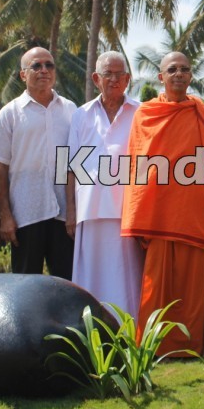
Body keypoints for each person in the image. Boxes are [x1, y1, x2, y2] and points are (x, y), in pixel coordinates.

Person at [121, 52, 204, 356]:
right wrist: (139, 209)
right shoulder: (145, 114)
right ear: (161, 77)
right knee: (156, 285)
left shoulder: (202, 112)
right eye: (172, 69)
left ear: (191, 76)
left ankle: (188, 346)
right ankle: (153, 346)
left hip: (194, 209)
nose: (179, 74)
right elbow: (137, 163)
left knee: (192, 285)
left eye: (184, 69)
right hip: (158, 212)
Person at [64, 51, 144, 316]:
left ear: (128, 79)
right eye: (108, 74)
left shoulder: (141, 113)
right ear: (96, 78)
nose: (114, 79)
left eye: (120, 74)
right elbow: (72, 167)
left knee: (127, 275)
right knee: (91, 276)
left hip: (127, 211)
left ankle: (128, 334)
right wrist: (71, 213)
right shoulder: (81, 115)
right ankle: (91, 333)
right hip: (89, 211)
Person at [0, 47, 76, 278]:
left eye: (49, 65)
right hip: (26, 214)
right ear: (23, 75)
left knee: (66, 285)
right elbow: (0, 168)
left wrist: (73, 211)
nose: (44, 70)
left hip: (63, 216)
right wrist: (5, 216)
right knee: (25, 285)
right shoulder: (9, 114)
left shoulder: (70, 110)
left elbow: (73, 164)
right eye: (36, 65)